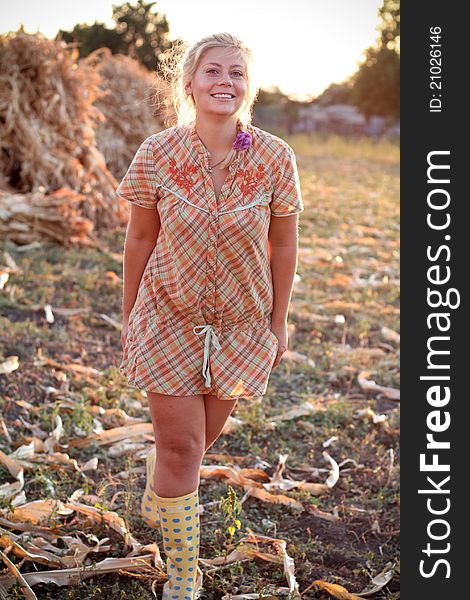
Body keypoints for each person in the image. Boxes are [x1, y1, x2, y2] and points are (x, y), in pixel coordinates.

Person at [116, 32, 304, 600]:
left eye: (237, 73)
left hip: (242, 326)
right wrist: (131, 316)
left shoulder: (275, 157)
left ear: (249, 87)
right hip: (167, 317)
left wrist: (278, 320)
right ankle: (182, 573)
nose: (226, 81)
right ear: (191, 85)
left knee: (194, 448)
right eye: (213, 71)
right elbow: (141, 235)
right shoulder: (158, 152)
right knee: (181, 449)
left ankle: (164, 493)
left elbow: (284, 245)